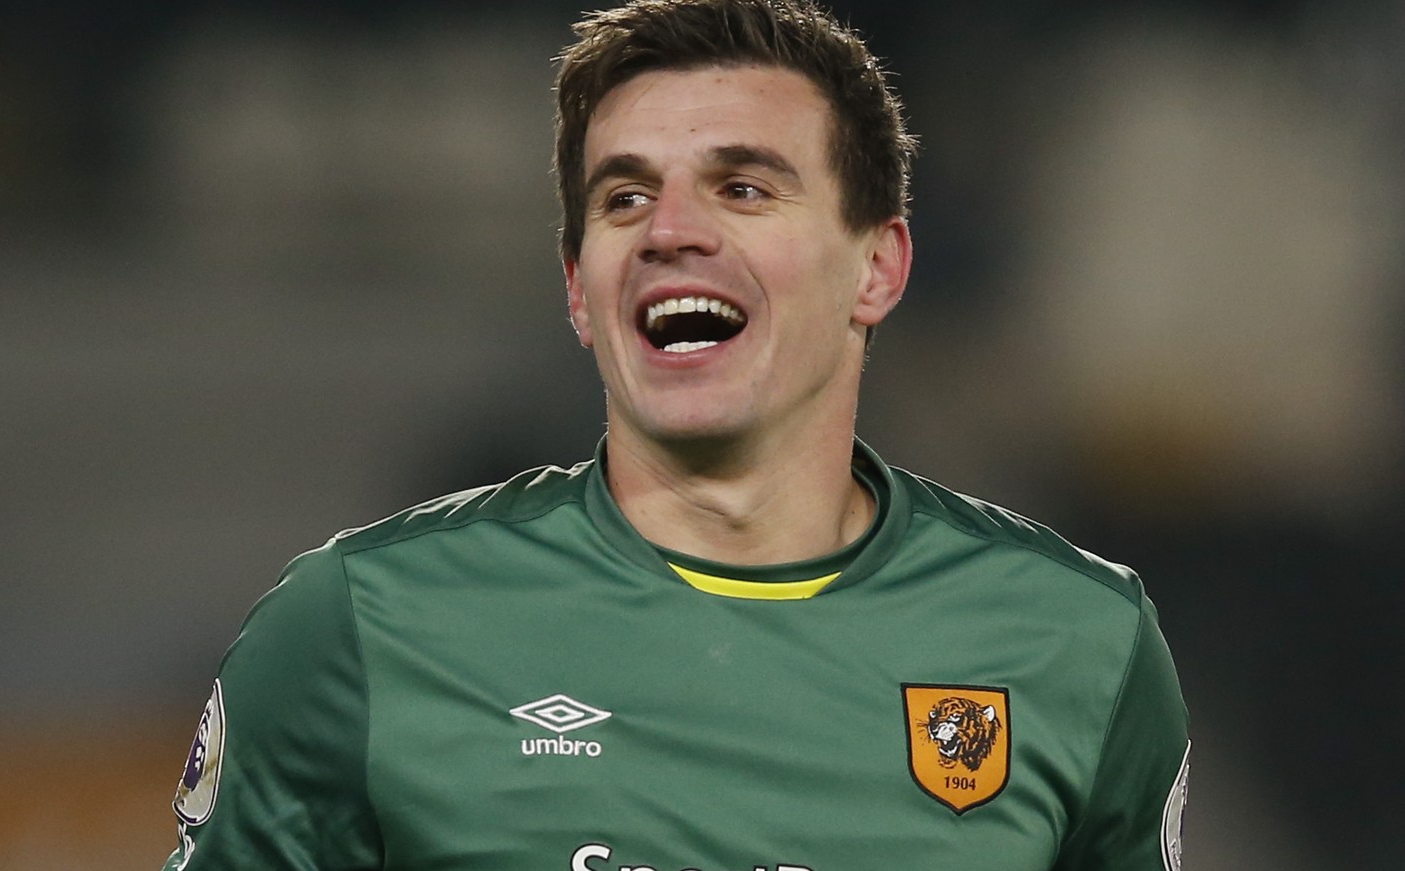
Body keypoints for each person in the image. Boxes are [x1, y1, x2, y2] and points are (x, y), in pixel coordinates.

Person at [162, 1, 1190, 869]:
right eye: (624, 197)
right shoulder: (356, 630)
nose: (671, 230)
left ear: (876, 267)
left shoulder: (1078, 643)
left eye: (744, 188)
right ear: (577, 285)